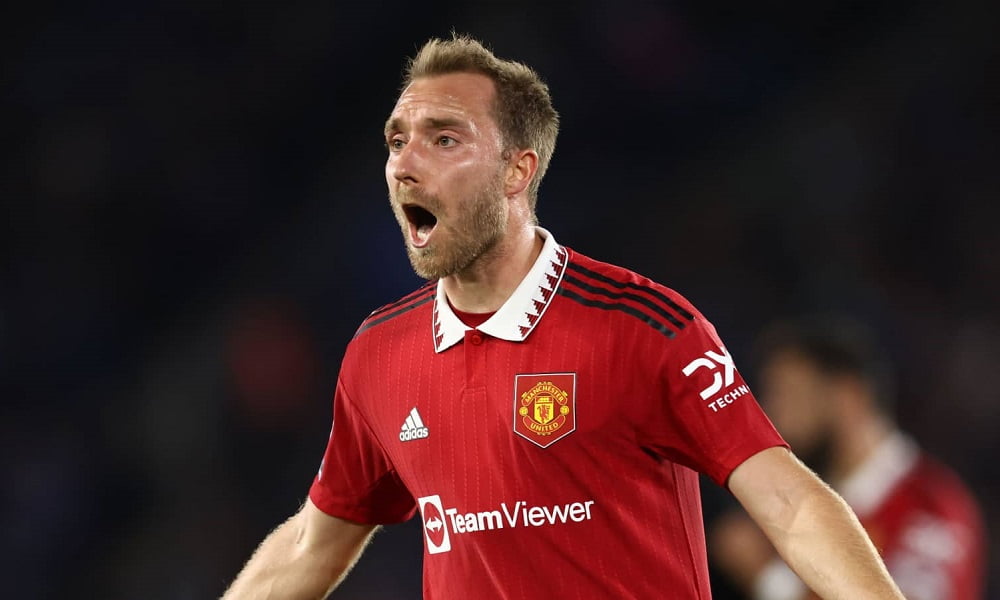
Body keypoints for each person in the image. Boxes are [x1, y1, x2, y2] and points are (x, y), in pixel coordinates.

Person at [222, 35, 906, 599]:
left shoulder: (642, 327)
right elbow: (313, 544)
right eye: (397, 141)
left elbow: (790, 504)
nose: (404, 164)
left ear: (517, 172)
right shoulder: (378, 354)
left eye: (444, 139)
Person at [710, 317, 985, 600]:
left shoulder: (931, 508)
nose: (772, 415)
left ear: (847, 397)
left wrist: (769, 578)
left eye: (789, 395)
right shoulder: (800, 504)